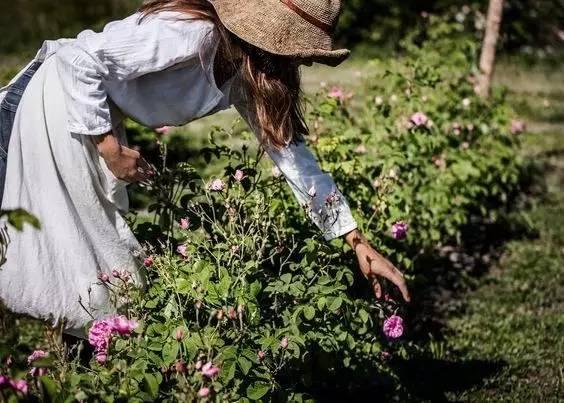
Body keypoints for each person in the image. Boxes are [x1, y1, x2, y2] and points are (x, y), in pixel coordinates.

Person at [0, 0, 410, 338]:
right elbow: (77, 58)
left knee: (93, 263)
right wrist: (109, 149)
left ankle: (80, 364)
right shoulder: (193, 32)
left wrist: (356, 240)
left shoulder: (250, 72)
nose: (301, 59)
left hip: (91, 117)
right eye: (298, 46)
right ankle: (77, 366)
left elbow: (296, 161)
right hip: (62, 104)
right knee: (85, 256)